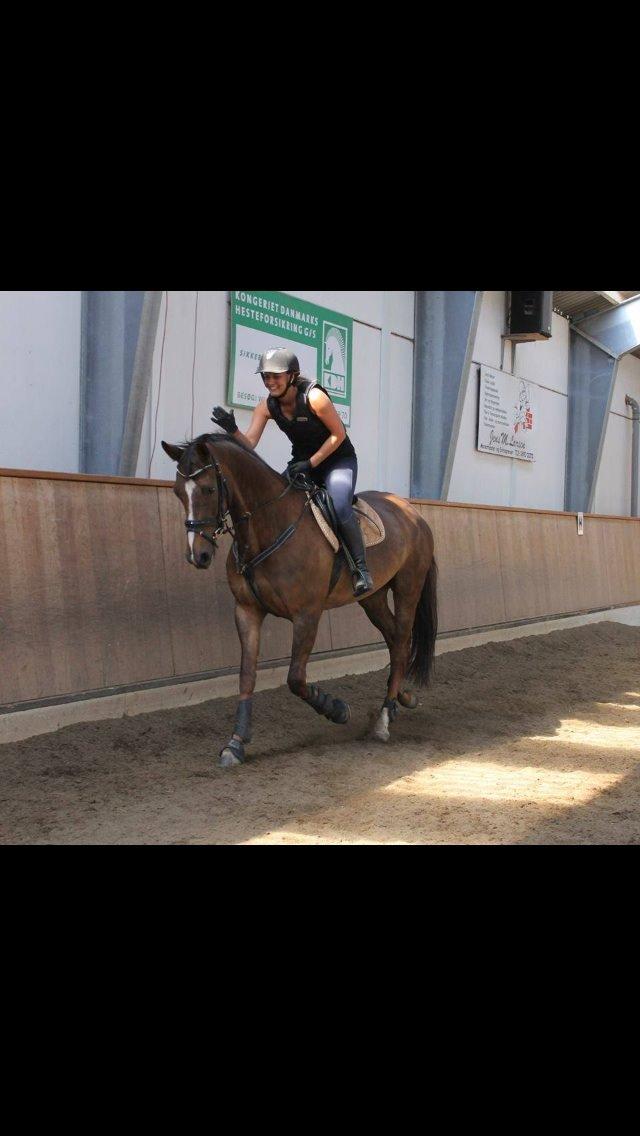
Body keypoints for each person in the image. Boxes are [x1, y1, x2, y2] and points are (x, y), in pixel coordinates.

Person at [211, 347, 373, 596]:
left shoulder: (315, 398)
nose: (270, 382)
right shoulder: (266, 407)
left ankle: (361, 570)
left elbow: (338, 434)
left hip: (337, 461)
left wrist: (311, 463)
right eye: (265, 376)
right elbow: (250, 444)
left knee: (340, 505)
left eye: (276, 376)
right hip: (302, 464)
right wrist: (233, 430)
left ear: (292, 376)